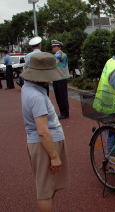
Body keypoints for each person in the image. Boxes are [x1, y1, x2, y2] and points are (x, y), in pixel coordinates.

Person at [20, 52, 68, 211]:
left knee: (47, 186)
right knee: (45, 191)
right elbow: (43, 131)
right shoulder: (37, 96)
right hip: (46, 145)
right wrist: (54, 157)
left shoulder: (27, 87)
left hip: (40, 144)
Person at [51, 40, 70, 120]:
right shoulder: (56, 55)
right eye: (52, 47)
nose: (52, 48)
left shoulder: (62, 54)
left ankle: (65, 113)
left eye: (54, 47)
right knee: (58, 97)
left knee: (62, 97)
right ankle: (62, 112)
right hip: (56, 78)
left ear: (58, 47)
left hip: (61, 79)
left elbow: (55, 59)